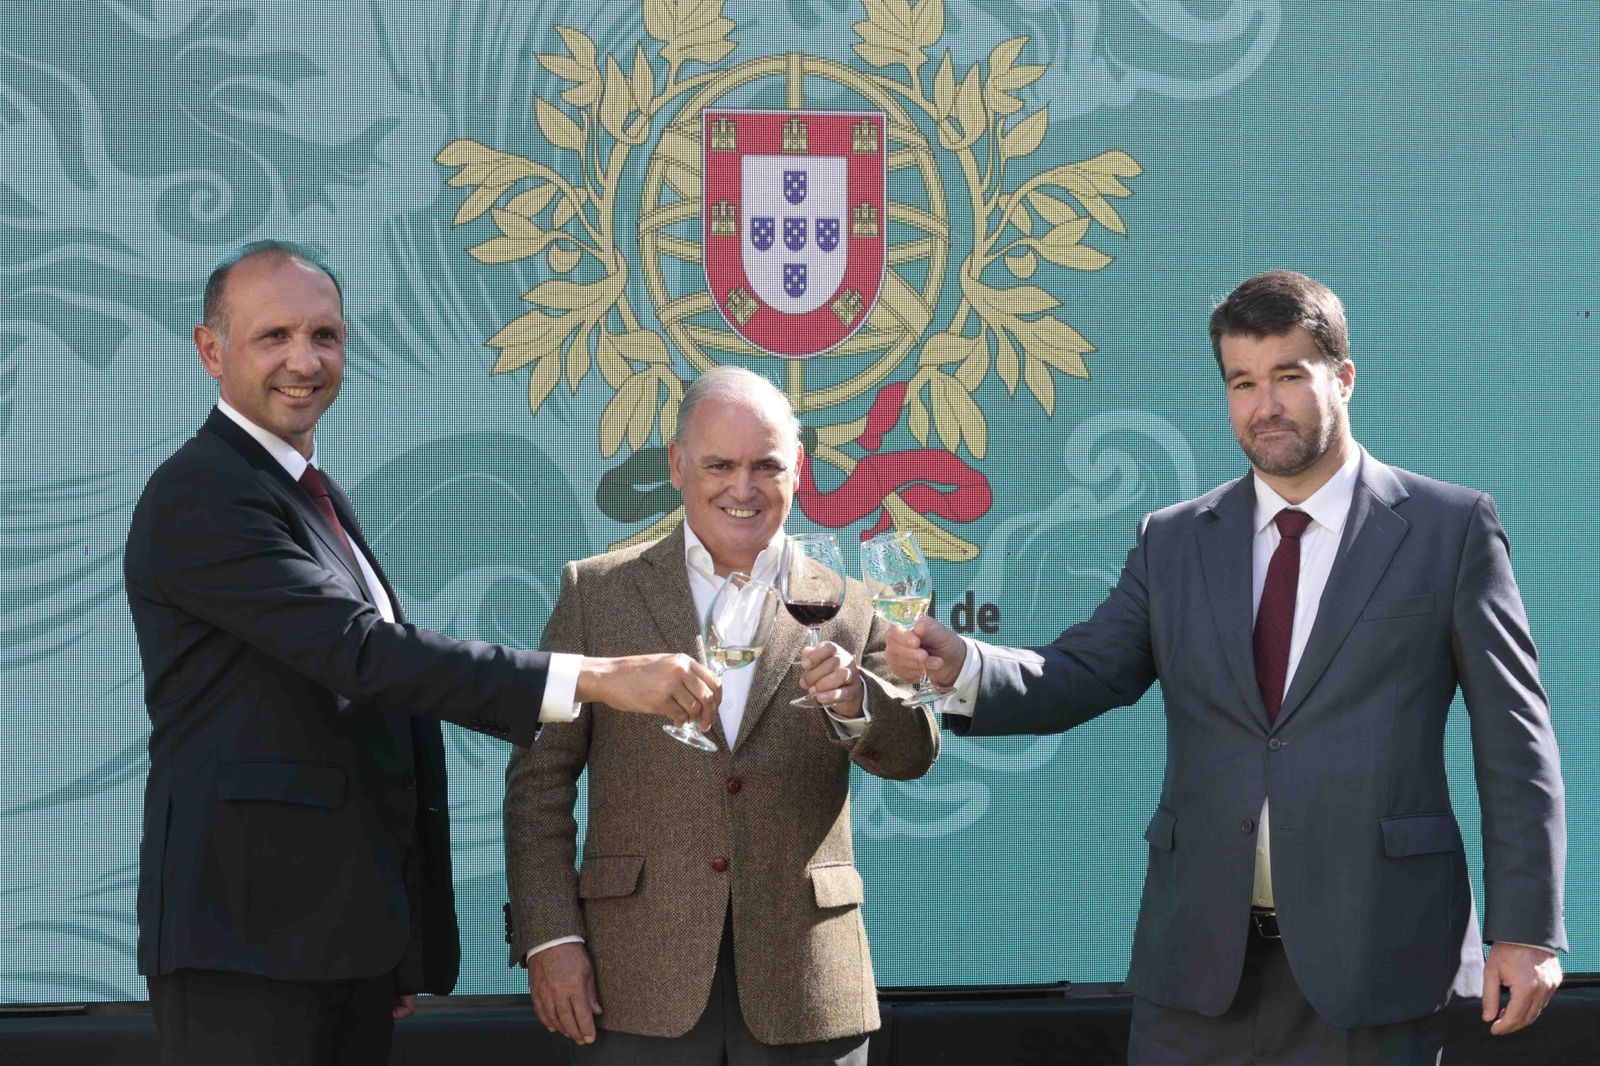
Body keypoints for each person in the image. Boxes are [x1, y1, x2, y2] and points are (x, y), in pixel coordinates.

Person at [886, 270, 1565, 1064]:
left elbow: (1516, 741)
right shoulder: (1173, 540)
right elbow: (1084, 670)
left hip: (1377, 959)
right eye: (1242, 382)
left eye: (1288, 376)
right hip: (1199, 970)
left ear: (1342, 379)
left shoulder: (1448, 529)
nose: (1263, 405)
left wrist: (1526, 930)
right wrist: (962, 662)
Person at [123, 240, 723, 1066]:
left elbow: (359, 723)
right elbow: (361, 655)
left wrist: (386, 928)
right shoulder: (203, 494)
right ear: (210, 350)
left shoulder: (308, 494)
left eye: (326, 336)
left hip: (333, 945)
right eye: (275, 337)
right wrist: (596, 676)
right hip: (248, 951)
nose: (306, 360)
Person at [504, 366, 940, 1064]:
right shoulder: (596, 594)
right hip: (633, 981)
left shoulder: (850, 604)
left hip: (809, 983)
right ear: (678, 465)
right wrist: (551, 937)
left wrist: (859, 704)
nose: (743, 488)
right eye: (719, 464)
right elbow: (539, 781)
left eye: (765, 465)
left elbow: (914, 752)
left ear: (797, 469)